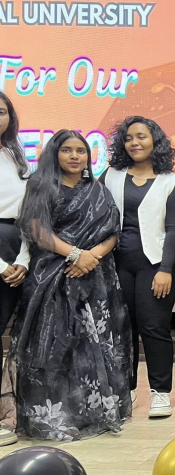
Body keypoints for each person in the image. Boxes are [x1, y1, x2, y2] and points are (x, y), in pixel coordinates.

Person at [0, 130, 131, 441]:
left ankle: (89, 414)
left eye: (80, 151)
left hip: (95, 279)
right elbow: (36, 229)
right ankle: (52, 418)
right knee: (53, 348)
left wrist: (91, 256)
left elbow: (113, 232)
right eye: (67, 150)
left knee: (90, 348)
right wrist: (75, 254)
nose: (75, 156)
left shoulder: (97, 190)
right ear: (54, 154)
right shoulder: (42, 185)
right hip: (51, 278)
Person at [102, 116, 175, 419]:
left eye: (141, 137)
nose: (134, 143)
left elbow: (174, 228)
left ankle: (160, 392)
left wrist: (165, 269)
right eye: (128, 138)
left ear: (155, 141)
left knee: (154, 328)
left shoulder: (171, 181)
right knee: (123, 329)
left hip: (155, 266)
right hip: (117, 265)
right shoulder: (111, 175)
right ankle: (126, 390)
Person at [0, 92, 29, 446]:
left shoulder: (15, 154)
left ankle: (13, 409)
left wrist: (23, 259)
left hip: (18, 246)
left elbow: (28, 214)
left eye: (2, 111)